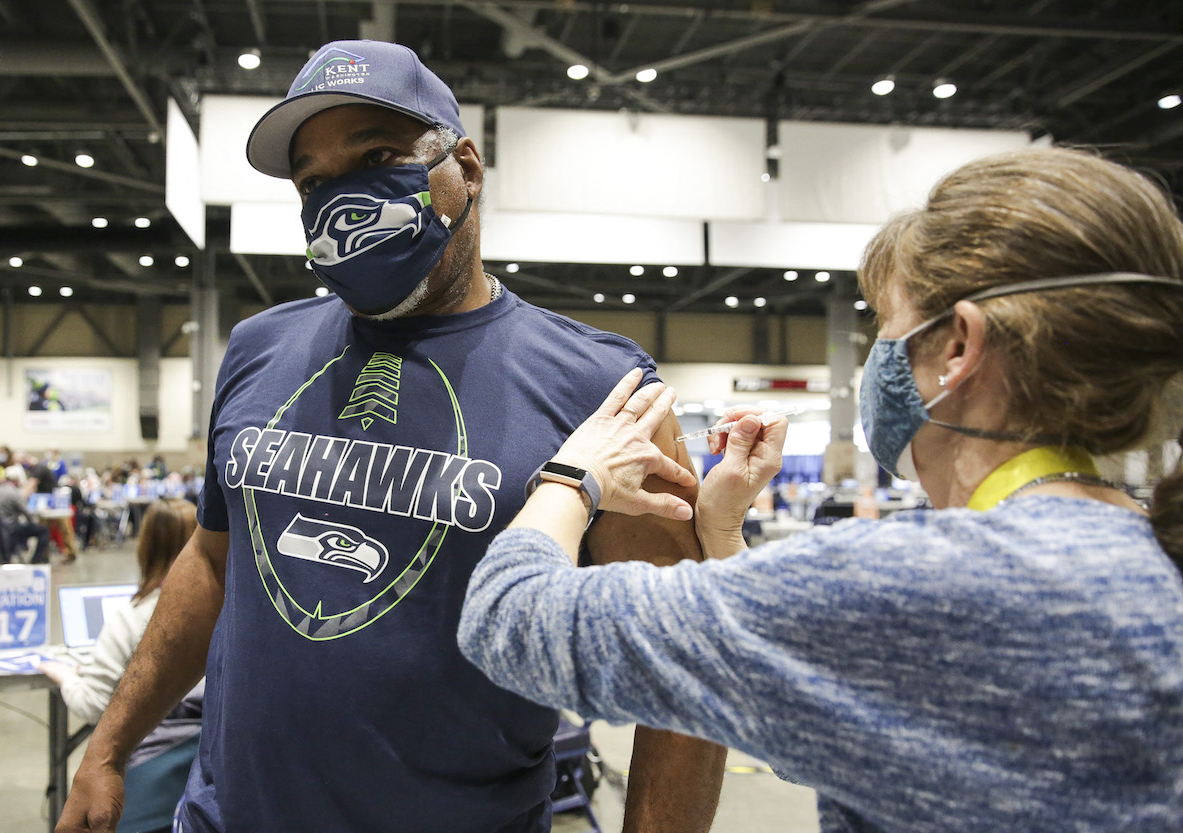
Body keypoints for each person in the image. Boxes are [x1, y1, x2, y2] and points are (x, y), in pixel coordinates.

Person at [58, 39, 724, 833]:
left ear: (466, 169)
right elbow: (212, 559)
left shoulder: (599, 390)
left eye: (377, 154)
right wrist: (108, 746)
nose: (341, 198)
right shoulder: (258, 349)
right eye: (314, 180)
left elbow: (680, 660)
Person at [457, 147, 1183, 832]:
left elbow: (510, 620)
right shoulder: (1153, 557)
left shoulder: (912, 579)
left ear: (958, 346)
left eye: (885, 327)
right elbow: (807, 698)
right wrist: (719, 535)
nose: (876, 357)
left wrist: (574, 473)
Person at [42, 500, 202, 833]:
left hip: (151, 792)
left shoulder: (136, 617)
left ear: (146, 545)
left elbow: (95, 704)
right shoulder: (230, 614)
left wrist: (67, 677)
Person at [0, 464, 50, 564]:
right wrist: (39, 513)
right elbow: (27, 512)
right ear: (16, 480)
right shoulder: (14, 493)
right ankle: (35, 561)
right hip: (11, 528)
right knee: (43, 531)